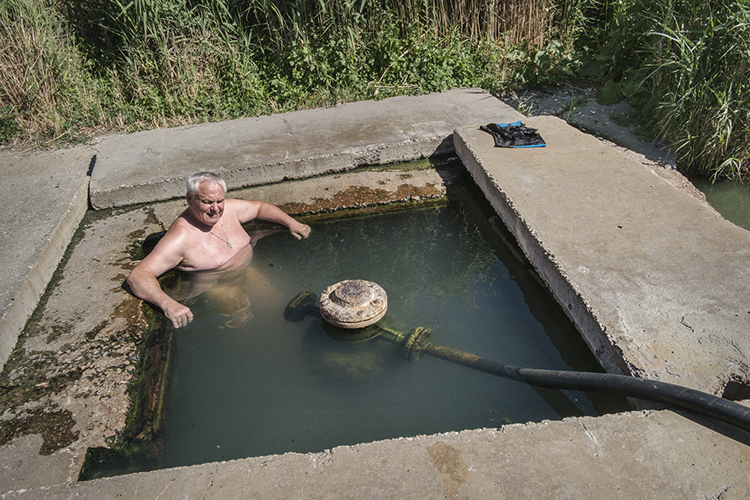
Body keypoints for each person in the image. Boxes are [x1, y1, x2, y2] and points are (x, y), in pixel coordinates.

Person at [127, 171, 311, 328]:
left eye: (219, 201)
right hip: (215, 286)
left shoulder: (228, 209)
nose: (215, 209)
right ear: (189, 199)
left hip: (246, 271)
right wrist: (168, 304)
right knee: (245, 322)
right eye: (207, 202)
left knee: (276, 303)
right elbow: (139, 275)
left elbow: (259, 207)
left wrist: (292, 223)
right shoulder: (180, 238)